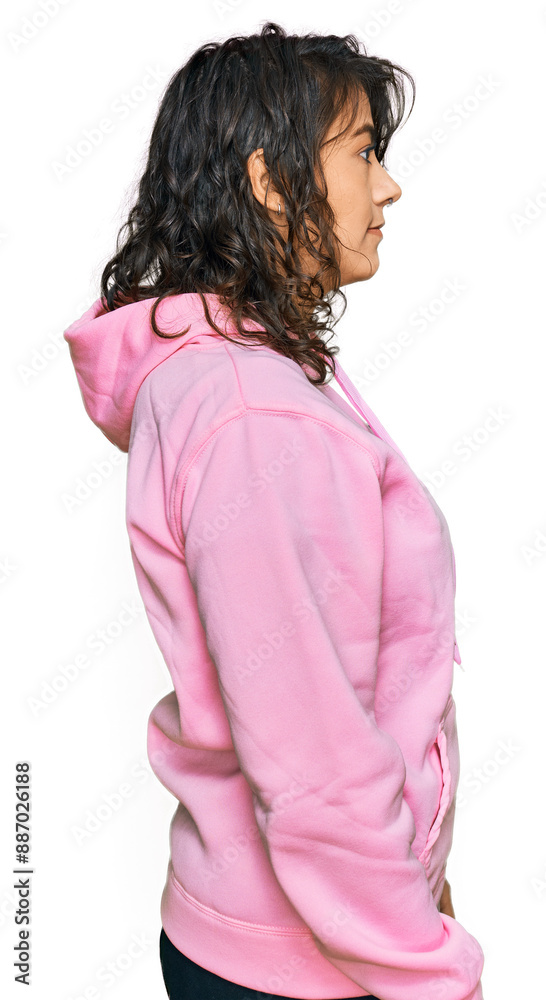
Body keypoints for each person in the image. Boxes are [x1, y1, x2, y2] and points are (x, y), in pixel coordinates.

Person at [63, 20, 486, 1000]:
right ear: (267, 179)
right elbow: (315, 766)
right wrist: (430, 969)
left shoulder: (230, 374)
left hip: (307, 929)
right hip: (304, 962)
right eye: (364, 153)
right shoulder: (255, 416)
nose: (388, 187)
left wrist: (422, 884)